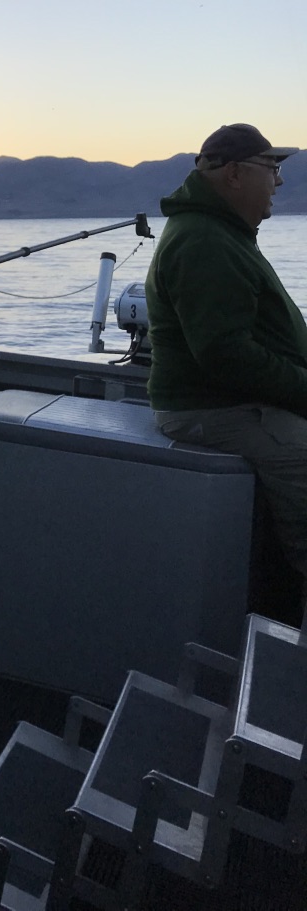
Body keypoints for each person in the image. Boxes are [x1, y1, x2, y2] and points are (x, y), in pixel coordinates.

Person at [145, 123, 307, 602]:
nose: (279, 180)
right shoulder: (204, 241)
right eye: (271, 167)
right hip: (210, 408)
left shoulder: (220, 231)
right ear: (234, 174)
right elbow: (224, 354)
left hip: (230, 400)